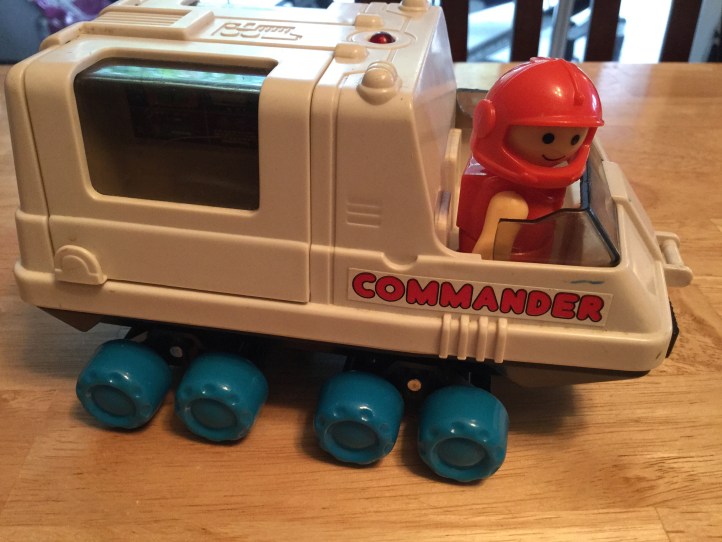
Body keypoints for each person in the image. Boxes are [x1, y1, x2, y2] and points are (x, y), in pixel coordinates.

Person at [457, 57, 604, 261]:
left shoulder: (548, 183)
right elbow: (488, 253)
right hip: (516, 266)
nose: (561, 149)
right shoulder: (509, 201)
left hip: (538, 254)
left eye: (575, 139)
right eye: (548, 138)